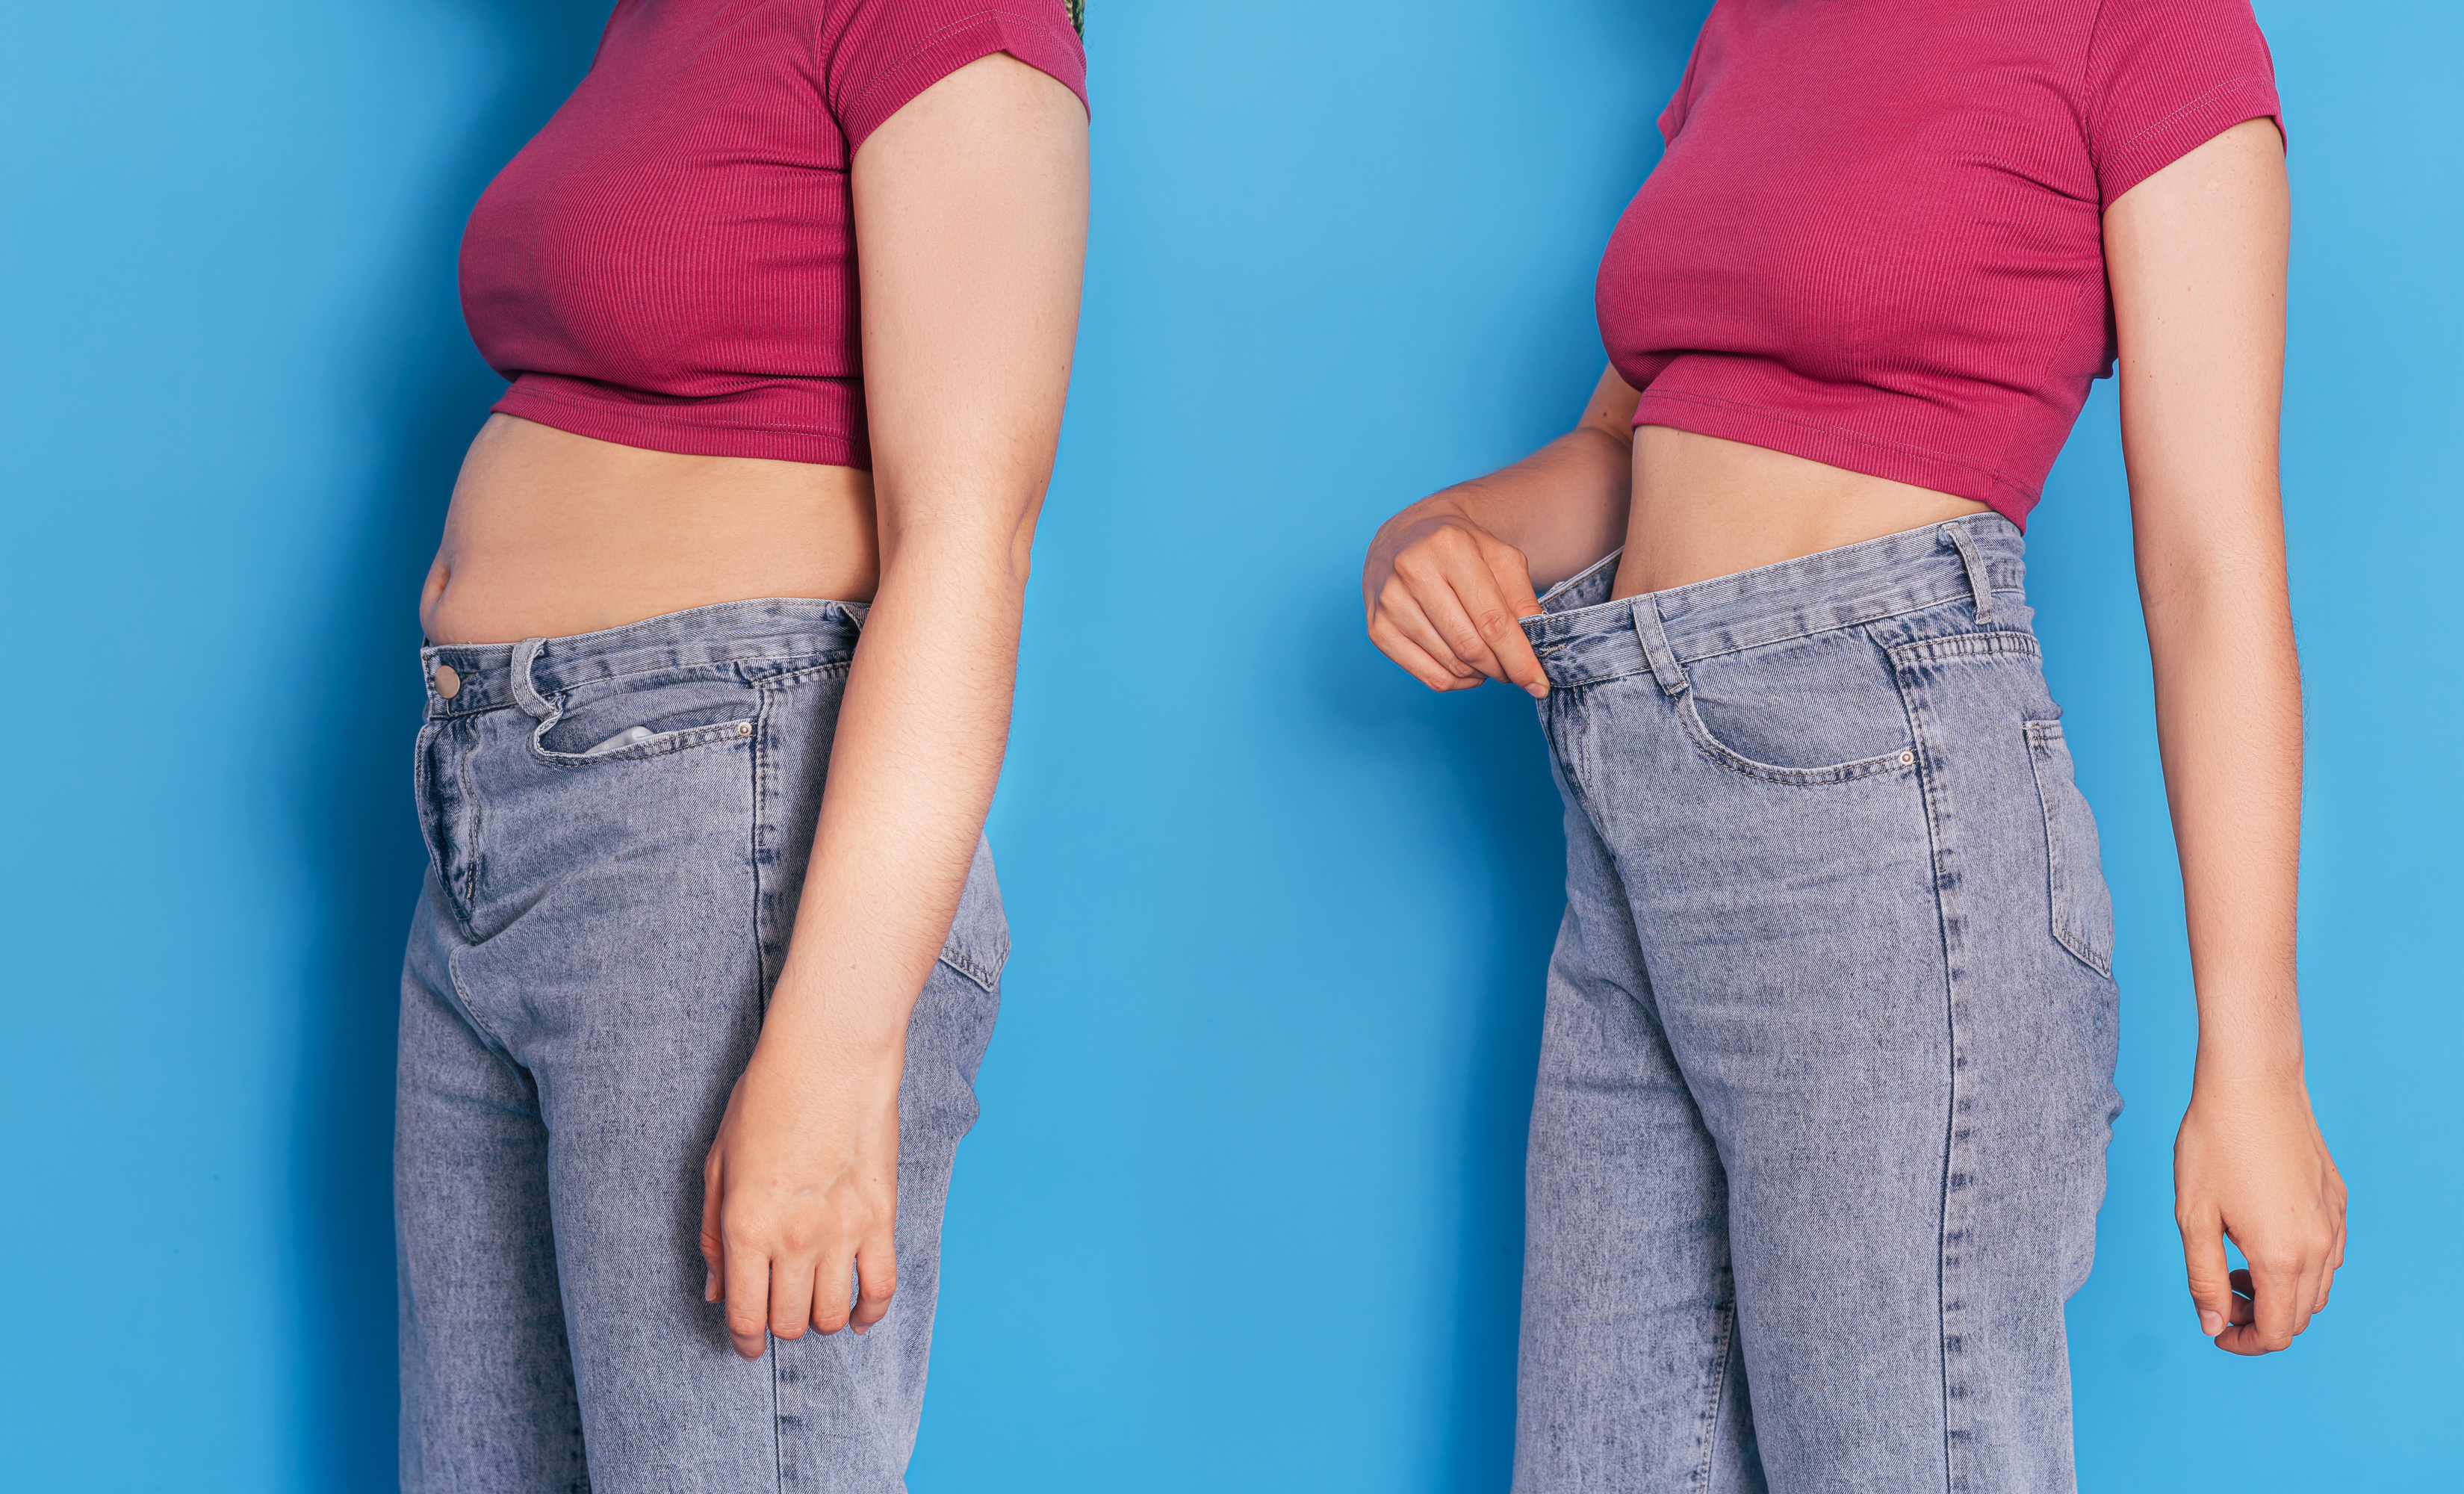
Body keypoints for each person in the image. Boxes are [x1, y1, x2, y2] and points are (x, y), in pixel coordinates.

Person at [1361, 2, 2344, 1489]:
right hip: (1623, 783)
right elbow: (1631, 451)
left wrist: (2254, 1065)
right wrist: (1447, 533)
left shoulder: (2145, 26)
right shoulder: (1750, 30)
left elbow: (2214, 568)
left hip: (1886, 818)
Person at [394, 1, 1087, 1487]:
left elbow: (974, 536)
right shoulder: (654, 25)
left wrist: (839, 1044)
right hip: (494, 809)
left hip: (720, 827)